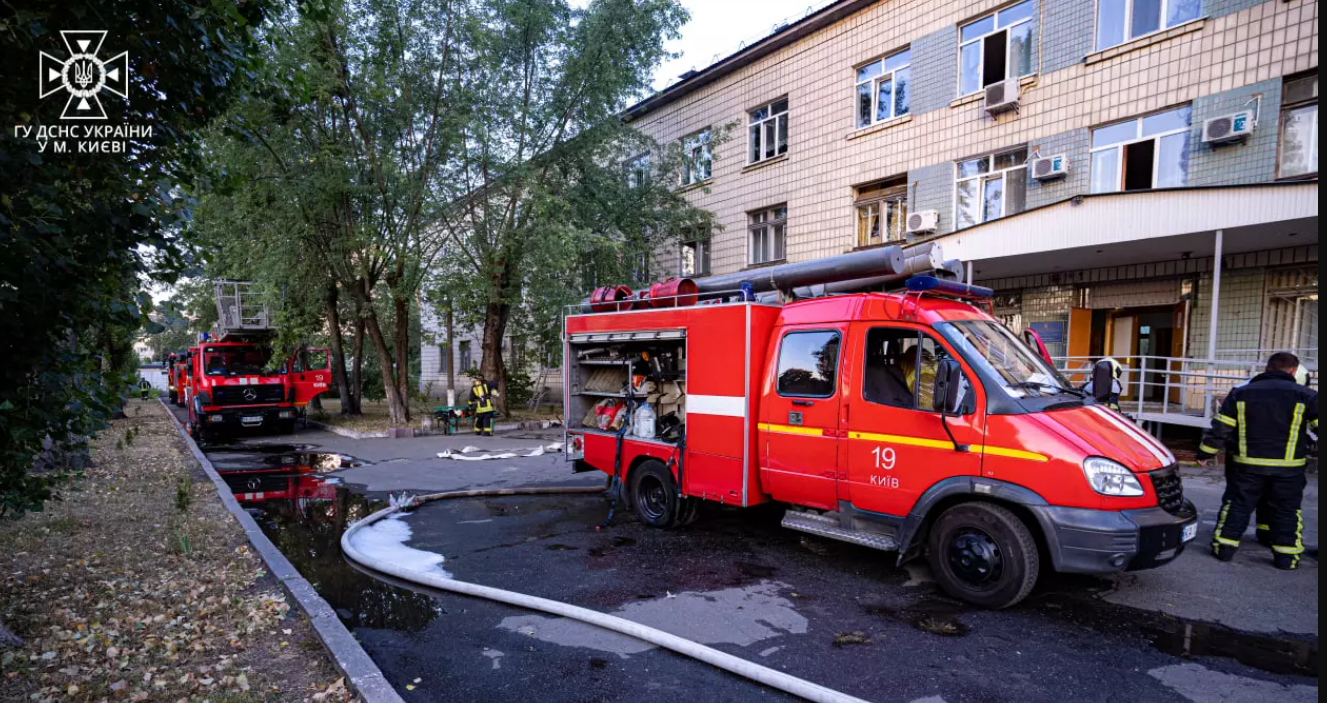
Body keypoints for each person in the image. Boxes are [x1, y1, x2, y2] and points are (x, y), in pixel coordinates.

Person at [1197, 352, 1318, 570]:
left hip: (1247, 466)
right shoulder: (1306, 395)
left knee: (1238, 506)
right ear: (1293, 371)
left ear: (1267, 368)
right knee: (1287, 511)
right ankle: (1286, 559)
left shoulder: (1240, 394)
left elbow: (1221, 429)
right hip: (1288, 470)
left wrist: (1206, 453)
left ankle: (1224, 549)